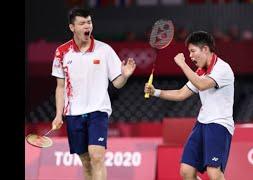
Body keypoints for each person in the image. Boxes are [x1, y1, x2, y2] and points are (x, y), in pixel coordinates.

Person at [51, 7, 136, 180]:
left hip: (98, 110)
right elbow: (60, 87)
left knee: (97, 156)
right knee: (86, 161)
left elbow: (117, 83)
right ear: (72, 27)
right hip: (74, 112)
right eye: (81, 23)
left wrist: (125, 76)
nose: (86, 26)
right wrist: (58, 114)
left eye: (88, 22)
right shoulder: (62, 52)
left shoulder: (104, 50)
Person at [145, 31, 235, 180]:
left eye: (193, 51)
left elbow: (201, 85)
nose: (191, 56)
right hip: (201, 124)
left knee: (214, 173)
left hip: (219, 125)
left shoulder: (222, 69)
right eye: (189, 53)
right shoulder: (200, 71)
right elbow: (181, 94)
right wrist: (156, 92)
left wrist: (182, 64)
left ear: (205, 49)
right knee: (186, 171)